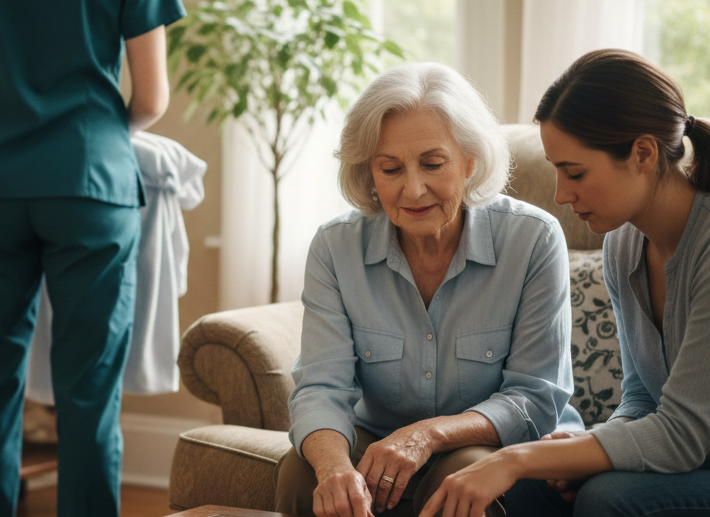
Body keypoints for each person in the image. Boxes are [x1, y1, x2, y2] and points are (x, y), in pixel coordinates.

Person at [0, 0, 185, 515]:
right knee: (88, 392)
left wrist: (0, 108)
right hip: (90, 181)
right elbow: (153, 96)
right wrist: (102, 130)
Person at [276, 62, 584, 517]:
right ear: (370, 174)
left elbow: (534, 398)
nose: (413, 189)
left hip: (488, 443)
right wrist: (333, 468)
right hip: (377, 438)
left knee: (460, 477)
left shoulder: (533, 238)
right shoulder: (334, 246)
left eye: (433, 164)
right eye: (391, 168)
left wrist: (427, 435)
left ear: (469, 162)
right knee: (300, 472)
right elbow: (322, 386)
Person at [419, 49, 710, 517]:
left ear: (643, 152)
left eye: (574, 172)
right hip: (686, 457)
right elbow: (640, 397)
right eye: (556, 170)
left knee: (605, 498)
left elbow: (683, 434)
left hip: (694, 455)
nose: (560, 194)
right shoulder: (622, 243)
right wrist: (579, 454)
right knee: (525, 490)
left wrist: (522, 456)